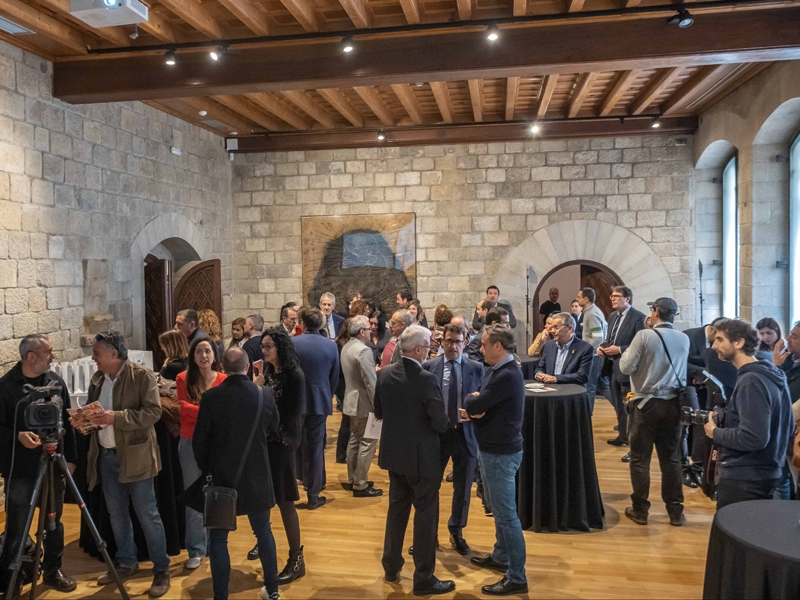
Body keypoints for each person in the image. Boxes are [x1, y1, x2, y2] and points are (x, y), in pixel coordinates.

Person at [80, 331, 171, 597]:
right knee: (116, 515)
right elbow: (96, 414)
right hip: (107, 457)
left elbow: (153, 412)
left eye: (96, 353)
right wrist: (83, 420)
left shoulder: (141, 376)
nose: (93, 358)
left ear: (113, 353)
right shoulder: (98, 379)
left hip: (136, 457)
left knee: (147, 515)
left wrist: (116, 418)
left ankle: (161, 569)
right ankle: (126, 562)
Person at [192, 347, 281, 600]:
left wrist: (207, 469)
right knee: (263, 531)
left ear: (222, 366)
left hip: (221, 477)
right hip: (257, 474)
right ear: (248, 367)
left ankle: (221, 595)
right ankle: (272, 590)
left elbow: (200, 441)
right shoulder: (264, 394)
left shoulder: (211, 397)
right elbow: (274, 426)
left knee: (219, 538)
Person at [375, 326, 454, 596]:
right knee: (425, 516)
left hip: (394, 454)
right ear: (419, 349)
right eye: (429, 346)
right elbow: (439, 421)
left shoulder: (385, 373)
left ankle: (391, 566)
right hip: (422, 457)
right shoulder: (426, 379)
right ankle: (423, 578)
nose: (431, 350)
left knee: (397, 510)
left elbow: (378, 410)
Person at [0, 335, 77, 595]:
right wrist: (17, 436)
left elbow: (67, 422)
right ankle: (12, 577)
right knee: (17, 527)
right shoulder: (6, 387)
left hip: (53, 465)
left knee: (54, 523)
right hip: (20, 469)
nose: (52, 357)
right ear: (31, 356)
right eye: (48, 352)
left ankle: (54, 569)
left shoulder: (55, 382)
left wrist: (71, 459)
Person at [464, 324, 527, 596]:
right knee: (497, 510)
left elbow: (475, 403)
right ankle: (501, 556)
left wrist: (474, 402)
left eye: (484, 344)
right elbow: (479, 400)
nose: (480, 349)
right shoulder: (498, 370)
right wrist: (477, 401)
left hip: (501, 453)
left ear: (498, 347)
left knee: (506, 516)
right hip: (491, 449)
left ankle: (517, 576)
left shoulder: (507, 374)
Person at [705, 319, 793, 509]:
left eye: (720, 339)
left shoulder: (751, 380)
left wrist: (715, 432)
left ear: (739, 342)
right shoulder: (771, 372)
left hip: (746, 478)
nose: (714, 346)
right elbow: (787, 424)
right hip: (765, 472)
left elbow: (753, 437)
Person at [618, 298, 689, 527]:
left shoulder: (644, 336)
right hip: (673, 404)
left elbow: (625, 367)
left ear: (655, 312)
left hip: (646, 404)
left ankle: (640, 510)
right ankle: (675, 511)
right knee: (671, 459)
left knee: (640, 459)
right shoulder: (684, 338)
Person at [248, 328, 307, 584]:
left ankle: (296, 559)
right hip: (266, 441)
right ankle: (264, 539)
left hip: (282, 442)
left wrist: (261, 391)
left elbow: (290, 414)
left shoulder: (294, 375)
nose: (264, 350)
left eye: (268, 346)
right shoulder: (269, 371)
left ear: (280, 347)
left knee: (285, 500)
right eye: (263, 346)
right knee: (264, 495)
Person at [422, 323, 482, 555]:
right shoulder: (429, 367)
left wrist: (476, 413)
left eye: (458, 341)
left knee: (463, 487)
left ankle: (456, 531)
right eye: (449, 341)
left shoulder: (476, 368)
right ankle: (429, 535)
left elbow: (484, 400)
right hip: (438, 434)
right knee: (430, 486)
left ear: (465, 342)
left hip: (465, 434)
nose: (453, 346)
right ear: (442, 341)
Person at [175, 337, 227, 569]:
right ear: (192, 356)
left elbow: (222, 414)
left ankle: (216, 543)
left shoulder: (224, 380)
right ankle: (196, 549)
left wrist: (195, 409)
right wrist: (208, 412)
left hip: (217, 443)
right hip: (189, 441)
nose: (203, 356)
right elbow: (182, 410)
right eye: (198, 352)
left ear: (214, 355)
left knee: (216, 494)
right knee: (194, 495)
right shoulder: (183, 378)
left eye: (207, 351)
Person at [292, 307, 340, 509]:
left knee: (296, 445)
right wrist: (327, 394)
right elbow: (334, 377)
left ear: (302, 323)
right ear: (321, 324)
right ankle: (313, 493)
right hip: (319, 401)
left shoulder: (293, 343)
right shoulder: (330, 346)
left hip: (296, 401)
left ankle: (298, 485)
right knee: (315, 448)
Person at [601, 286, 646, 453]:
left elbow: (641, 344)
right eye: (611, 296)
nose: (612, 298)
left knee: (630, 406)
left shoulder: (638, 317)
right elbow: (610, 338)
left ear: (627, 299)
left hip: (627, 369)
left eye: (617, 296)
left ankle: (633, 442)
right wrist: (603, 348)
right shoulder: (613, 316)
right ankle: (622, 435)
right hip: (612, 366)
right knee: (618, 405)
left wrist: (619, 349)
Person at [341, 316, 383, 497]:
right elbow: (370, 382)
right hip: (365, 404)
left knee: (354, 440)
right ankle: (361, 484)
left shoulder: (347, 347)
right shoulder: (363, 350)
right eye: (368, 328)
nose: (371, 330)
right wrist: (378, 406)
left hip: (351, 401)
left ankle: (353, 478)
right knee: (367, 442)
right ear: (361, 332)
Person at [534, 312, 594, 385]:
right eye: (552, 327)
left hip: (570, 390)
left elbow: (582, 376)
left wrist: (556, 379)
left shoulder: (585, 348)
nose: (552, 331)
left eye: (556, 327)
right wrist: (538, 374)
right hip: (549, 389)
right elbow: (540, 368)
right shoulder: (549, 345)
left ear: (569, 328)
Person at [577, 288, 609, 407]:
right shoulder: (591, 311)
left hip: (594, 356)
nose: (577, 299)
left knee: (589, 387)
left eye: (579, 297)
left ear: (585, 299)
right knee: (603, 385)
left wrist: (585, 350)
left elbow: (598, 337)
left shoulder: (591, 314)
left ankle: (587, 415)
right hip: (595, 354)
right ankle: (622, 410)